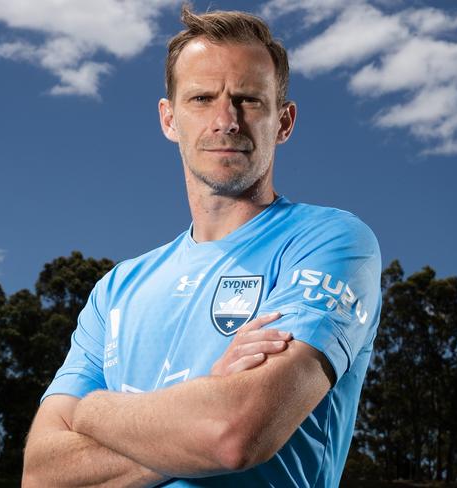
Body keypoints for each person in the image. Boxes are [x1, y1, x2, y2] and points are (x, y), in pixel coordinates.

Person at [22, 5, 381, 488]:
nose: (226, 120)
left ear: (284, 121)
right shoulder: (116, 290)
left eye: (249, 100)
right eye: (202, 98)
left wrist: (90, 411)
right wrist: (206, 397)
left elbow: (233, 435)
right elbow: (42, 475)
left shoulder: (330, 241)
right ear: (169, 119)